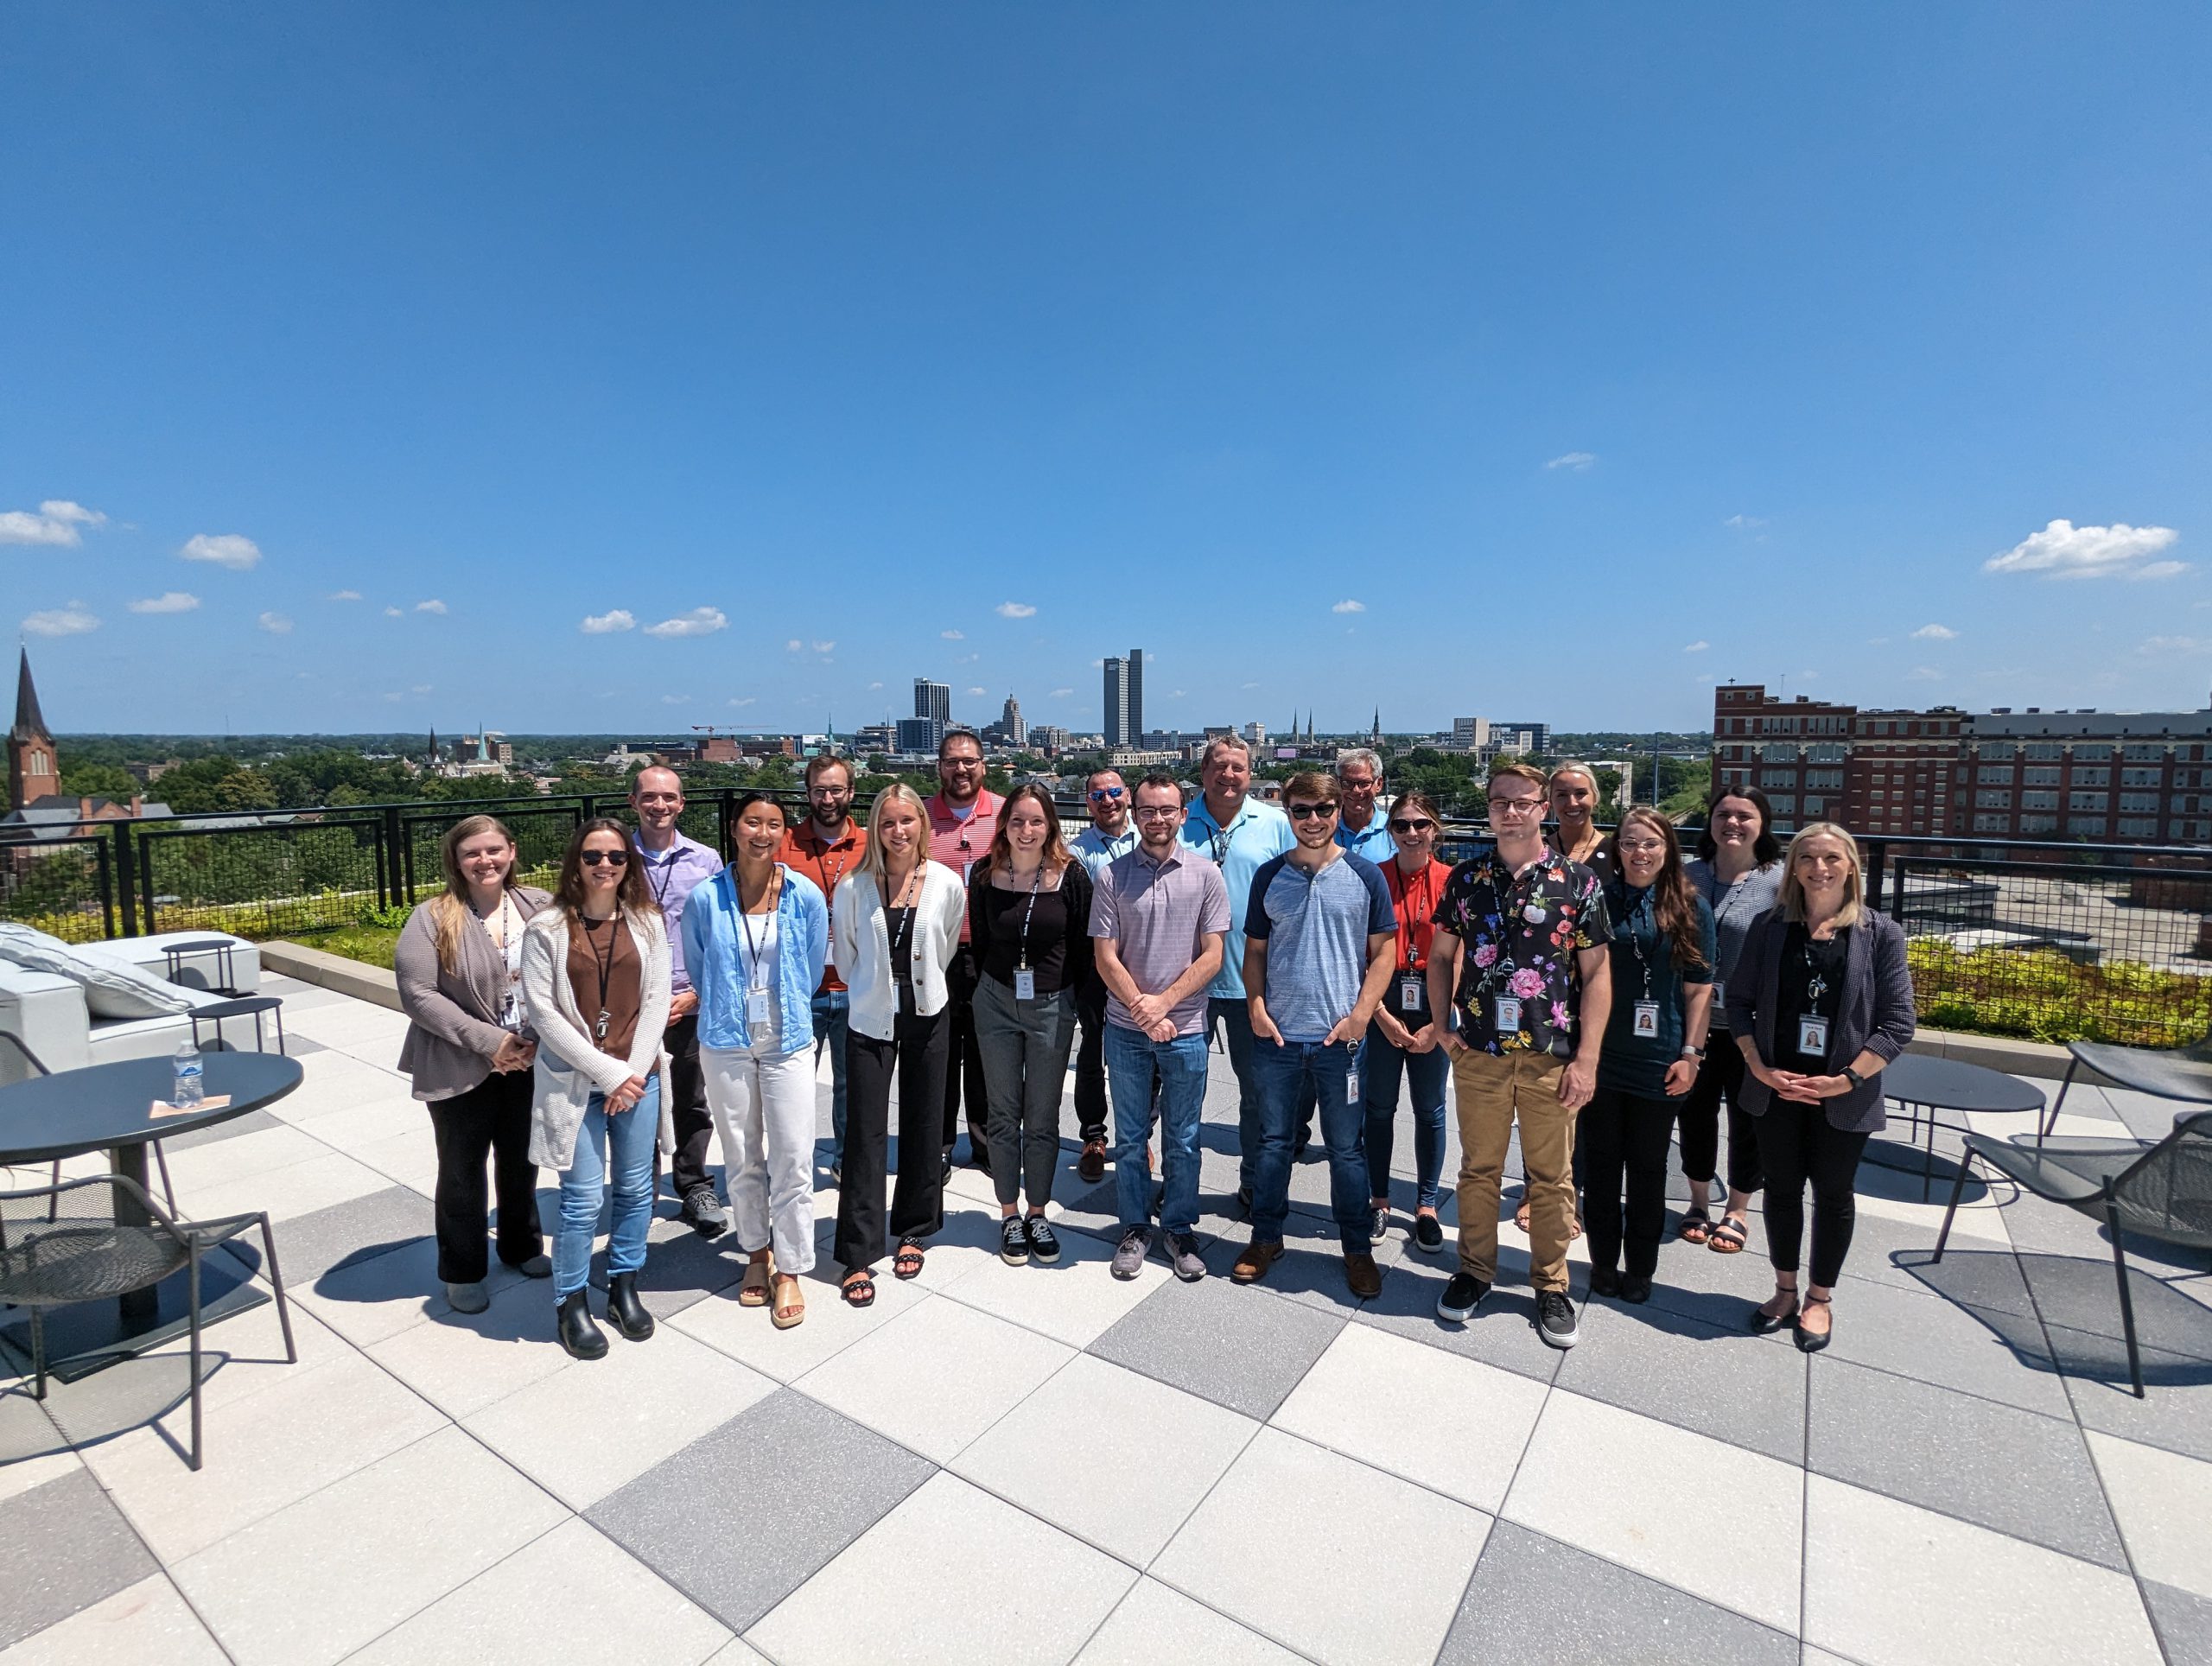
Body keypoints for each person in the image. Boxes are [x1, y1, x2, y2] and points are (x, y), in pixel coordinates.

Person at [1427, 761, 1612, 1350]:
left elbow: (1598, 974)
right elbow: (1439, 957)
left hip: (1550, 1054)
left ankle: (1551, 1285)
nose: (1511, 811)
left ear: (1543, 809)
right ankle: (1475, 1271)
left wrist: (1587, 1059)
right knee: (1477, 1171)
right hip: (1479, 1051)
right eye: (1500, 801)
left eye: (1523, 802)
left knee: (1551, 1178)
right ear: (1488, 808)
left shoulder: (1577, 882)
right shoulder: (1466, 878)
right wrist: (1441, 1025)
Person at [1728, 823, 1915, 1352]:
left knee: (1833, 1195)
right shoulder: (1770, 928)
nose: (1819, 867)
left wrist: (1847, 1079)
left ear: (1852, 866)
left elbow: (1898, 1023)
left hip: (1844, 1094)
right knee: (1782, 1191)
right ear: (1793, 869)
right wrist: (1758, 1067)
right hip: (1776, 1088)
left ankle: (1819, 1298)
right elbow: (1738, 1003)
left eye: (1832, 857)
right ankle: (1785, 1288)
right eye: (1806, 857)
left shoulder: (1881, 934)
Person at [1233, 772, 1397, 1299]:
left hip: (1340, 1039)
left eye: (1323, 809)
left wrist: (1361, 1015)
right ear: (1286, 811)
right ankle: (1266, 1238)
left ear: (1336, 809)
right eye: (1301, 810)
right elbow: (1255, 951)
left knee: (1348, 1149)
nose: (1313, 820)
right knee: (1274, 1143)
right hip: (1279, 1036)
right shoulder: (1268, 877)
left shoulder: (1366, 876)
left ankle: (1356, 1249)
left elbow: (1384, 953)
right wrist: (1256, 1007)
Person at [521, 818, 671, 1360]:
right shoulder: (547, 928)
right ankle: (571, 1301)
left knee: (635, 1191)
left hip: (640, 1077)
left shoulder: (647, 921)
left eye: (615, 856)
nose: (604, 865)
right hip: (574, 1083)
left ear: (629, 864)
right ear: (575, 863)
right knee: (582, 1201)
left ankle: (625, 1283)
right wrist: (611, 1076)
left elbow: (657, 1001)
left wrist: (631, 1074)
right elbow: (543, 1012)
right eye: (592, 856)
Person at [395, 815, 553, 1313]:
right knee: (462, 1169)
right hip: (460, 1061)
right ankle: (462, 1268)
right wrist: (491, 1043)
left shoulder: (540, 905)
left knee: (521, 1160)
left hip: (530, 1059)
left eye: (493, 850)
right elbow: (418, 994)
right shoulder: (433, 916)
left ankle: (521, 1244)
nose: (484, 861)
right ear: (456, 861)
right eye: (472, 853)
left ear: (511, 850)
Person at [685, 792, 829, 1331]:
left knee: (793, 1154)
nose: (762, 833)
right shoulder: (705, 899)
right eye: (752, 823)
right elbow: (701, 970)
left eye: (773, 824)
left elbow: (812, 969)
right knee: (742, 1155)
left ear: (783, 833)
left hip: (788, 1036)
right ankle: (755, 1252)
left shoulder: (805, 896)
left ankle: (791, 1266)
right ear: (734, 828)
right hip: (724, 1037)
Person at [831, 784, 966, 1307]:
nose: (899, 831)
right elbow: (845, 957)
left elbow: (947, 944)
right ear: (874, 828)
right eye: (888, 822)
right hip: (869, 1014)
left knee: (923, 1120)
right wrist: (876, 987)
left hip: (929, 1010)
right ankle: (858, 1251)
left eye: (908, 821)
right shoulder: (853, 887)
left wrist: (916, 983)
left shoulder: (947, 883)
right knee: (865, 1131)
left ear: (922, 826)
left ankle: (913, 1227)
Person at [1093, 773, 1229, 1282]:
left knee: (1184, 1137)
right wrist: (1142, 1010)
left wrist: (1165, 1004)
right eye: (1147, 810)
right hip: (1126, 1028)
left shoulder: (1206, 875)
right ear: (1134, 813)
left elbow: (1213, 955)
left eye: (1167, 810)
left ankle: (1178, 1226)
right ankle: (1133, 1226)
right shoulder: (1112, 876)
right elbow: (1105, 957)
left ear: (1183, 814)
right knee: (1128, 1137)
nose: (1157, 819)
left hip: (1188, 1027)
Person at [1582, 808, 1715, 1304]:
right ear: (1617, 849)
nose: (1640, 853)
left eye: (1651, 843)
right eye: (1630, 843)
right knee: (1600, 1165)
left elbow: (1700, 989)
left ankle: (1640, 1267)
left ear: (1668, 850)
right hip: (1604, 1052)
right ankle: (1602, 1262)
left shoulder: (1690, 907)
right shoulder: (1599, 900)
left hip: (1661, 1057)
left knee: (1648, 1166)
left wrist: (1691, 1055)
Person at [969, 785, 1093, 1265]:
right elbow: (981, 942)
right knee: (1002, 1114)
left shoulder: (1072, 876)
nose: (1026, 830)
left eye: (1036, 821)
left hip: (1051, 1006)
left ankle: (1037, 1211)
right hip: (996, 1001)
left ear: (1051, 826)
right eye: (1017, 820)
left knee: (1041, 1116)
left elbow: (1083, 949)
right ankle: (1008, 1213)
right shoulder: (985, 875)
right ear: (1004, 824)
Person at [1180, 734, 1296, 1213]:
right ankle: (1180, 1182)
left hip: (1256, 984)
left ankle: (1254, 1183)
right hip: (1187, 983)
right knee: (1183, 1093)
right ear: (1203, 770)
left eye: (1238, 768)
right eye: (1219, 766)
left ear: (1251, 774)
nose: (1229, 775)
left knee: (1259, 1096)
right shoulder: (1178, 821)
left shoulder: (1275, 824)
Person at [1681, 785, 1784, 1255]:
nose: (1732, 823)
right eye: (1723, 814)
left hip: (1752, 1023)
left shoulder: (1781, 881)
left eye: (1745, 815)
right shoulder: (1688, 875)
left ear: (1762, 823)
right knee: (1695, 1112)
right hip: (1694, 1020)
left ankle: (1738, 1209)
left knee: (1749, 1117)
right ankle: (1699, 1201)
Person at [1510, 758, 1611, 1235]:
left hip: (1591, 991)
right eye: (1562, 795)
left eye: (1580, 794)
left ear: (1596, 798)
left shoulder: (1611, 855)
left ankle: (1575, 1194)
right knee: (1544, 1104)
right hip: (1542, 1001)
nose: (1572, 803)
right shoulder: (1535, 853)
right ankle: (1535, 1188)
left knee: (1586, 1102)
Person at [629, 766, 728, 1236]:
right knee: (633, 1098)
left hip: (688, 999)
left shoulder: (706, 861)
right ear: (634, 803)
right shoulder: (613, 857)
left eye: (669, 797)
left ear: (682, 803)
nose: (659, 806)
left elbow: (718, 939)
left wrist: (695, 995)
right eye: (650, 797)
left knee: (691, 1098)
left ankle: (693, 1185)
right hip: (630, 1003)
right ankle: (638, 1191)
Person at [1360, 790, 1453, 1255]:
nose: (1412, 833)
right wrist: (1377, 1015)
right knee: (1377, 1108)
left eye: (1420, 824)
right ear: (1390, 831)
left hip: (1435, 1002)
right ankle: (1379, 1198)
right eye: (1401, 825)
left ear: (1435, 828)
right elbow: (1359, 954)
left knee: (1430, 1109)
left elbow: (1466, 959)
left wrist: (1439, 1023)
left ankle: (1427, 1204)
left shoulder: (1455, 881)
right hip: (1384, 997)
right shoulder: (1374, 878)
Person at [779, 752, 868, 1182]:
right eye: (819, 790)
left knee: (853, 1087)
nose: (828, 798)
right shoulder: (784, 845)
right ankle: (791, 1164)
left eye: (836, 789)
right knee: (792, 1086)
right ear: (808, 794)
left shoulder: (872, 845)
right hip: (800, 989)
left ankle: (846, 1160)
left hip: (855, 986)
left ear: (850, 792)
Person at [925, 729, 1003, 1177]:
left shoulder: (1004, 813)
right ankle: (939, 1142)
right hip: (934, 952)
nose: (961, 769)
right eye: (952, 761)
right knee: (938, 1049)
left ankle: (986, 1142)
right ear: (939, 766)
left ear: (983, 766)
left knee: (983, 1051)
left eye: (969, 761)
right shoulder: (921, 816)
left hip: (989, 950)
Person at [1068, 767, 1138, 1182]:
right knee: (1092, 1053)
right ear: (1087, 803)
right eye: (1098, 795)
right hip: (1096, 970)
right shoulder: (1077, 852)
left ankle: (1137, 1135)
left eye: (1114, 792)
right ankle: (1093, 1136)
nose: (1107, 800)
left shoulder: (1151, 837)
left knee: (1145, 1057)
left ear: (1127, 796)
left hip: (1146, 963)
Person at [1333, 748, 1395, 862]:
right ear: (1337, 783)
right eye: (1347, 783)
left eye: (1364, 783)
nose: (1356, 790)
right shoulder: (1324, 828)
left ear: (1379, 784)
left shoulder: (1395, 830)